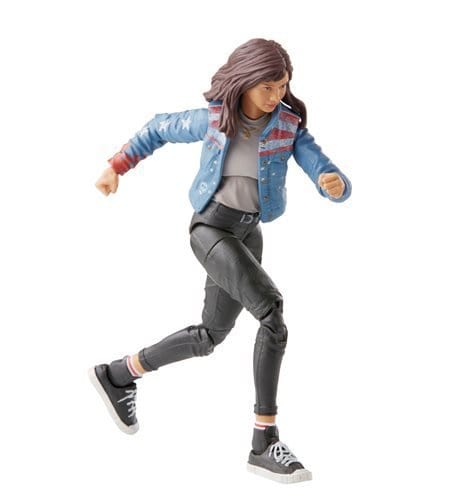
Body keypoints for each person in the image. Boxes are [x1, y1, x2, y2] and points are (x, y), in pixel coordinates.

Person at [89, 38, 351, 484]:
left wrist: (334, 183)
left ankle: (118, 375)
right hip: (211, 228)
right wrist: (117, 165)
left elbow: (320, 164)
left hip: (249, 231)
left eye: (282, 86)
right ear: (245, 81)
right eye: (267, 87)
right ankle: (263, 442)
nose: (275, 96)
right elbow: (158, 128)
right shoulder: (214, 119)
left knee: (211, 335)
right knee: (272, 315)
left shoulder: (287, 126)